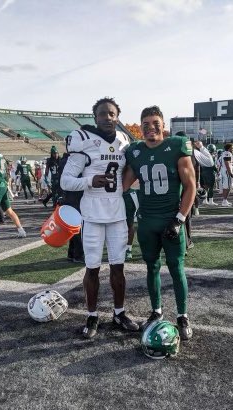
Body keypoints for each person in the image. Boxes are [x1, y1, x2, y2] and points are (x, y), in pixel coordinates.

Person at [61, 97, 139, 338]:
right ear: (95, 117)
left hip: (116, 214)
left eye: (112, 113)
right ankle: (92, 315)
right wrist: (89, 181)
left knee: (118, 267)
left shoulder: (124, 140)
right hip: (92, 215)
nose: (108, 117)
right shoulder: (83, 140)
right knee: (92, 268)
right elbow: (65, 181)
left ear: (118, 117)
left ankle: (119, 312)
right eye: (103, 114)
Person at [123, 105, 196, 341]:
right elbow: (123, 184)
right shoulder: (135, 152)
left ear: (163, 126)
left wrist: (180, 219)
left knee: (176, 267)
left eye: (155, 123)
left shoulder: (176, 146)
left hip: (170, 220)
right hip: (146, 221)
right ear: (140, 128)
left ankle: (183, 315)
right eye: (145, 124)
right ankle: (156, 311)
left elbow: (191, 186)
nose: (150, 128)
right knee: (151, 267)